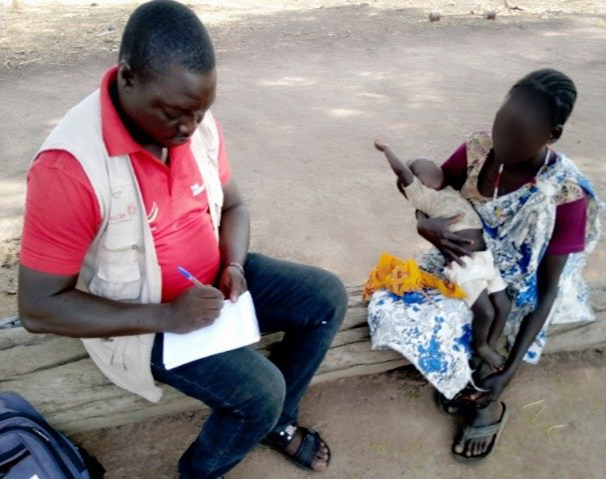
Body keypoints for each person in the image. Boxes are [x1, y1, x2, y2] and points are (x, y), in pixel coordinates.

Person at [17, 1, 347, 478]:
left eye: (201, 112)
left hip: (212, 284)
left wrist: (233, 266)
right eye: (175, 114)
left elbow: (234, 206)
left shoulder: (192, 118)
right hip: (139, 318)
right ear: (128, 77)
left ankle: (278, 422)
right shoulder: (68, 169)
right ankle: (200, 471)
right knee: (260, 392)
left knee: (325, 298)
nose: (190, 129)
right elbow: (39, 307)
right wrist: (167, 315)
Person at [367, 69, 602, 461]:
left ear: (553, 134)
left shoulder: (566, 192)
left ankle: (489, 399)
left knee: (497, 328)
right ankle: (466, 379)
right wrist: (428, 230)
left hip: (524, 284)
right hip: (463, 262)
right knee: (391, 309)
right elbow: (432, 199)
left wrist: (507, 374)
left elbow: (548, 291)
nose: (504, 141)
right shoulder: (478, 147)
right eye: (502, 124)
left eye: (520, 133)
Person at [373, 142, 511, 371]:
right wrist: (388, 151)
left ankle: (490, 343)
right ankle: (481, 347)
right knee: (485, 311)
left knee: (503, 305)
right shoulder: (423, 198)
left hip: (485, 258)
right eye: (424, 172)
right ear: (415, 184)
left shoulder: (450, 190)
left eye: (433, 166)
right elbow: (403, 173)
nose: (433, 171)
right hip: (463, 263)